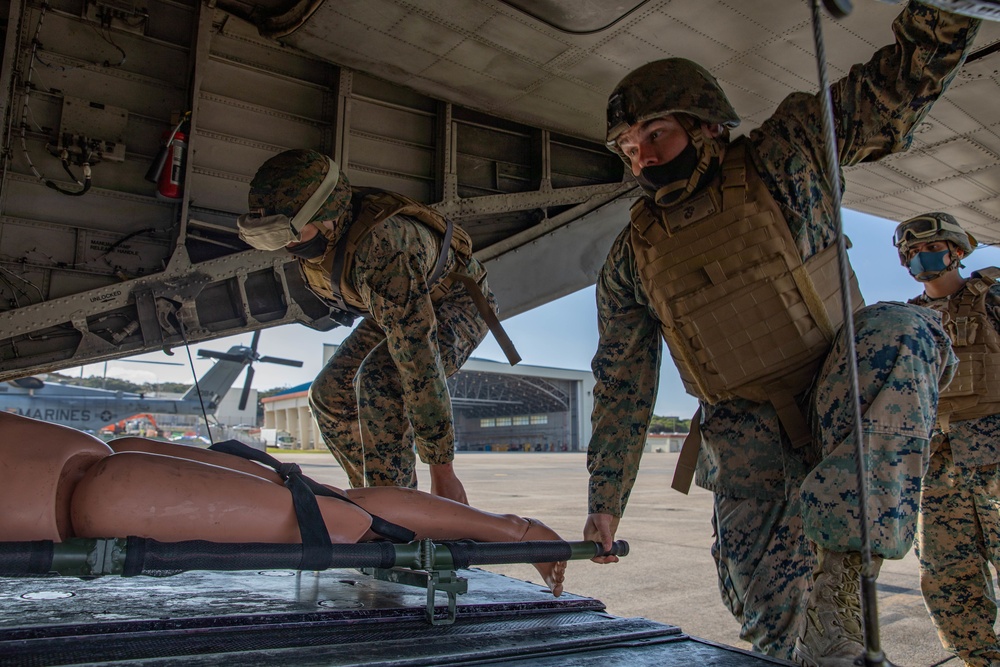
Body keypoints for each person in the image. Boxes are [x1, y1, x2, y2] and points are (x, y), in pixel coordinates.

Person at [583, 3, 979, 665]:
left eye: (656, 134)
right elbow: (622, 383)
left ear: (706, 123)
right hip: (748, 458)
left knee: (903, 330)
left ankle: (841, 586)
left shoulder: (789, 151)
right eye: (630, 149)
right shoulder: (632, 256)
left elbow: (895, 90)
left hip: (842, 400)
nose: (644, 157)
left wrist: (944, 12)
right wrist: (604, 502)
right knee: (772, 641)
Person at [0, 412, 565, 596]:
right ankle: (515, 531)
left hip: (88, 498)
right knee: (334, 508)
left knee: (337, 518)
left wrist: (442, 464)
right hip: (80, 471)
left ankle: (517, 531)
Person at [237, 149, 519, 505]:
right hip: (397, 299)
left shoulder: (385, 248)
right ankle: (375, 497)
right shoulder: (330, 234)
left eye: (291, 232)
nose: (289, 246)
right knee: (329, 394)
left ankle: (399, 512)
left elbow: (420, 364)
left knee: (382, 378)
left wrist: (442, 471)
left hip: (454, 302)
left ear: (326, 214)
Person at [894, 212, 1000, 667]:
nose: (922, 258)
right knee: (947, 579)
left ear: (956, 251)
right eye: (913, 253)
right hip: (937, 466)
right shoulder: (910, 320)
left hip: (995, 455)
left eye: (930, 248)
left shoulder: (994, 299)